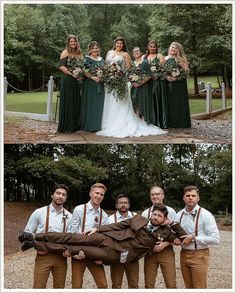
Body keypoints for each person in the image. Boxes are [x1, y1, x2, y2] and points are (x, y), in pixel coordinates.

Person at [18, 204, 191, 265]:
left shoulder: (166, 231)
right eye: (154, 214)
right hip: (107, 238)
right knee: (72, 237)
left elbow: (184, 239)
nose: (155, 217)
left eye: (160, 216)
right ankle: (34, 236)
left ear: (164, 218)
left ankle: (34, 245)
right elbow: (118, 224)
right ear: (151, 213)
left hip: (114, 254)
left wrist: (173, 224)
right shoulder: (139, 219)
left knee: (74, 248)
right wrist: (98, 229)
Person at [96, 36, 167, 138]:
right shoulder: (109, 53)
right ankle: (108, 123)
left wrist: (118, 75)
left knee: (120, 103)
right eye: (117, 43)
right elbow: (106, 66)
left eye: (121, 43)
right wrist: (109, 75)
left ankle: (121, 124)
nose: (119, 45)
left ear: (123, 45)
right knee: (109, 103)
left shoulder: (125, 54)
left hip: (120, 81)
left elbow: (128, 69)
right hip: (109, 82)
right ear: (115, 44)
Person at [19, 183, 72, 288]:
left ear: (65, 198)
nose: (60, 196)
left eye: (63, 194)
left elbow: (70, 238)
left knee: (60, 287)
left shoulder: (70, 216)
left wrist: (69, 251)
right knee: (39, 286)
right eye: (58, 193)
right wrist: (36, 245)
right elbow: (27, 233)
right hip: (43, 256)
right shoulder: (39, 212)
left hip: (61, 257)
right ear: (52, 195)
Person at [175, 185, 220, 288]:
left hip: (199, 255)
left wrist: (194, 238)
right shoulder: (179, 215)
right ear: (183, 198)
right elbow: (175, 234)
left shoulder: (206, 214)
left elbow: (216, 239)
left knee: (199, 287)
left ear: (198, 198)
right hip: (183, 255)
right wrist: (175, 240)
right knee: (188, 287)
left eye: (193, 195)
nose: (190, 197)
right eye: (188, 195)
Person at [70, 183, 109, 288]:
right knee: (76, 286)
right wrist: (75, 251)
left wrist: (101, 256)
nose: (99, 196)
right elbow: (73, 232)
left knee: (103, 285)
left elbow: (104, 237)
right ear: (90, 193)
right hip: (79, 253)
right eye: (96, 193)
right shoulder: (79, 209)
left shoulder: (104, 215)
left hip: (95, 254)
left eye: (101, 194)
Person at [142, 186, 177, 288]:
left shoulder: (171, 211)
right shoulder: (145, 213)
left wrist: (164, 245)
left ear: (163, 195)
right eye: (152, 194)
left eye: (157, 194)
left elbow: (176, 233)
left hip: (166, 250)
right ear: (150, 197)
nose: (155, 196)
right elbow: (143, 233)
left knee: (170, 284)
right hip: (150, 251)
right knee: (149, 284)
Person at [108, 194, 139, 289]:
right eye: (120, 203)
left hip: (132, 256)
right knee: (116, 285)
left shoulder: (136, 217)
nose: (123, 205)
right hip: (116, 256)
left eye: (125, 203)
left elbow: (146, 232)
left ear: (129, 205)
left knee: (134, 284)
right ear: (116, 205)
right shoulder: (110, 219)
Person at [57, 34, 83, 133]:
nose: (73, 43)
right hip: (68, 79)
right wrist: (72, 73)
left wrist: (79, 73)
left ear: (77, 42)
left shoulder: (79, 53)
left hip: (77, 81)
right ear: (68, 43)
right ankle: (67, 126)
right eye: (71, 41)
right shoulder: (65, 52)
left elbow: (82, 66)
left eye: (74, 41)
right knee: (68, 101)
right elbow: (61, 67)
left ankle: (75, 125)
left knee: (76, 101)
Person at [80, 41, 105, 132]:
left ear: (99, 49)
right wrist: (93, 77)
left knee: (99, 104)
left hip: (100, 84)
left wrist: (103, 77)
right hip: (90, 84)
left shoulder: (102, 59)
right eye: (93, 48)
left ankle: (97, 125)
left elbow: (105, 70)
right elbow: (83, 71)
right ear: (90, 49)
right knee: (90, 103)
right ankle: (90, 125)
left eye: (96, 48)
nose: (95, 49)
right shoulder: (87, 59)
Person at [165, 42, 191, 128]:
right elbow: (162, 71)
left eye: (175, 48)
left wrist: (176, 78)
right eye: (172, 47)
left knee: (178, 103)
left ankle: (180, 122)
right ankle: (170, 123)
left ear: (178, 50)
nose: (173, 49)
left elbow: (186, 72)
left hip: (179, 85)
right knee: (170, 103)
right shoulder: (165, 59)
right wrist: (167, 77)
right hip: (168, 84)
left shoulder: (181, 59)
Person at [142, 40, 168, 129]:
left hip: (158, 82)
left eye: (154, 46)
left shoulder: (159, 56)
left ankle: (160, 122)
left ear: (156, 47)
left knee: (158, 100)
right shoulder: (144, 57)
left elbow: (164, 69)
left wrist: (157, 74)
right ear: (148, 47)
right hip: (147, 83)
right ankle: (150, 120)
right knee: (149, 101)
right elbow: (142, 70)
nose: (152, 48)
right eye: (151, 46)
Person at [130, 47, 153, 125]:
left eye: (138, 51)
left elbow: (150, 75)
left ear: (140, 53)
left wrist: (141, 82)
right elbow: (128, 75)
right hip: (134, 87)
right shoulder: (131, 64)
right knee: (134, 102)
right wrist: (133, 83)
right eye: (134, 51)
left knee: (143, 103)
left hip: (143, 86)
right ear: (133, 54)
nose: (136, 52)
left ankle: (144, 120)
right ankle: (136, 121)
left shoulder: (145, 63)